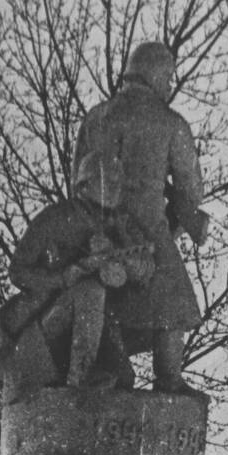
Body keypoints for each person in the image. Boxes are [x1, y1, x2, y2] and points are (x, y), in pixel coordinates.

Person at [71, 41, 209, 393]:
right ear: (157, 74)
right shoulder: (171, 123)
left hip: (96, 228)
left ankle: (112, 370)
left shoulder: (97, 116)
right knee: (175, 304)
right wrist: (175, 225)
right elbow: (193, 191)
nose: (169, 84)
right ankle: (169, 380)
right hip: (150, 229)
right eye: (168, 76)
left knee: (105, 306)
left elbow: (77, 180)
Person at [0, 154, 154, 405]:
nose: (115, 186)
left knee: (123, 379)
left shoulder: (122, 223)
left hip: (99, 324)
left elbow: (145, 267)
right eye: (107, 180)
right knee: (90, 291)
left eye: (118, 180)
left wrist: (122, 265)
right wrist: (64, 277)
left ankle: (90, 374)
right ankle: (80, 379)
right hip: (42, 332)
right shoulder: (56, 217)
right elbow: (18, 271)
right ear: (84, 185)